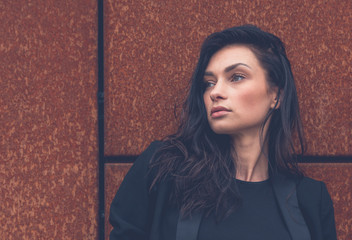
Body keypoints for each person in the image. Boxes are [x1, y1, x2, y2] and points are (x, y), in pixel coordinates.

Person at [109, 25, 337, 240]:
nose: (215, 92)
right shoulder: (163, 170)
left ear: (275, 96)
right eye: (208, 83)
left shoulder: (310, 200)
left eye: (236, 77)